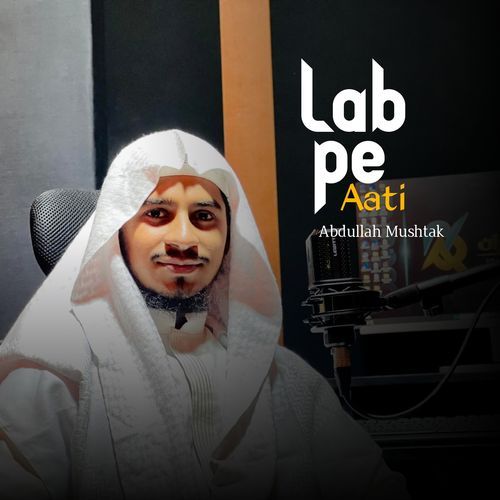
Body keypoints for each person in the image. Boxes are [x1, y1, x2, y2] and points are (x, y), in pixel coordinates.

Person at [0, 130, 409, 499]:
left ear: (230, 243)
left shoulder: (286, 381)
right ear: (116, 235)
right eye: (157, 214)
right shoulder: (51, 382)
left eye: (203, 217)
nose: (183, 240)